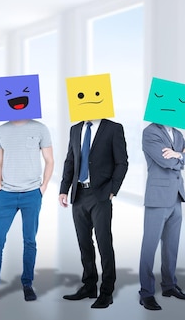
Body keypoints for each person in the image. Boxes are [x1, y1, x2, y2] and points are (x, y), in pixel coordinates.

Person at [0, 119, 54, 308]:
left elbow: (49, 160)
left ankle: (27, 284)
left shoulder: (41, 128)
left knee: (29, 240)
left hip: (32, 194)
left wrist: (43, 188)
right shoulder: (1, 130)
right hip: (6, 195)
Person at [59, 118, 128, 309]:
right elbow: (70, 160)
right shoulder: (75, 129)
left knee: (104, 242)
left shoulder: (113, 128)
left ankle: (107, 292)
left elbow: (122, 162)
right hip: (79, 194)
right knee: (84, 243)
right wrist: (64, 189)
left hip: (101, 195)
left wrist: (113, 189)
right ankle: (89, 286)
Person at [138, 124, 185, 311]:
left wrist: (178, 155)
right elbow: (166, 162)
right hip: (157, 197)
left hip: (177, 196)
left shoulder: (178, 134)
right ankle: (146, 293)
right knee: (149, 246)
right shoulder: (150, 132)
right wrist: (182, 157)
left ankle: (169, 286)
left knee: (171, 246)